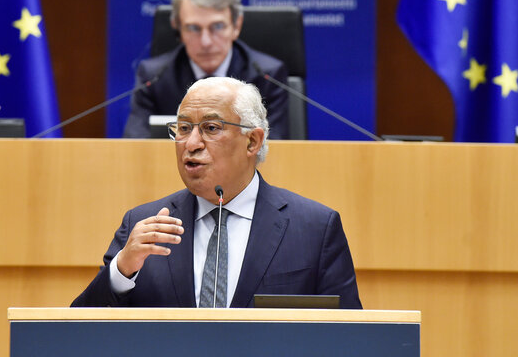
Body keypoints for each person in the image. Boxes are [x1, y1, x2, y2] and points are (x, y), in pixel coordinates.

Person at [73, 77, 361, 308]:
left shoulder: (314, 229)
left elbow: (349, 338)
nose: (192, 143)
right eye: (184, 128)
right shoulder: (143, 223)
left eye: (210, 128)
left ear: (252, 142)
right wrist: (122, 271)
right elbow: (80, 334)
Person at [123, 0, 290, 139]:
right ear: (178, 28)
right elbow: (136, 148)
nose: (206, 42)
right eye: (194, 28)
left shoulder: (267, 77)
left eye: (217, 26)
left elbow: (275, 151)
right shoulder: (154, 78)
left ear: (236, 26)